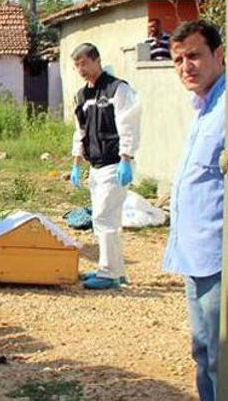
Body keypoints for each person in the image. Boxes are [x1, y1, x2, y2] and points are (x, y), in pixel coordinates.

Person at [163, 20, 225, 401]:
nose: (186, 66)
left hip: (219, 256)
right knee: (202, 351)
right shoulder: (203, 106)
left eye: (195, 56)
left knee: (222, 357)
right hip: (194, 254)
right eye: (178, 59)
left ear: (219, 55)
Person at [69, 43, 141, 290]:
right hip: (96, 166)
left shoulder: (117, 89)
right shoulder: (82, 96)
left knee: (103, 217)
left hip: (114, 164)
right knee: (107, 220)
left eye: (84, 63)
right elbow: (80, 132)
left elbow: (128, 125)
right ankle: (115, 270)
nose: (81, 69)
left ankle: (108, 273)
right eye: (77, 65)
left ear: (97, 60)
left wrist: (126, 159)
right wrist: (77, 163)